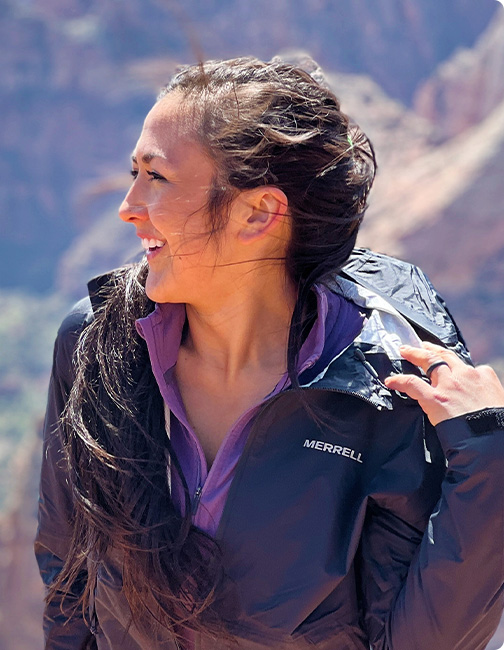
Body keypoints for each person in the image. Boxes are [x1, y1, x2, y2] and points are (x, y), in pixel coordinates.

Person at [34, 56, 504, 650]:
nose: (128, 206)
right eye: (134, 172)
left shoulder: (382, 393)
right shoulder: (97, 345)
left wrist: (487, 455)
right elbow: (68, 567)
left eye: (157, 177)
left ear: (258, 213)